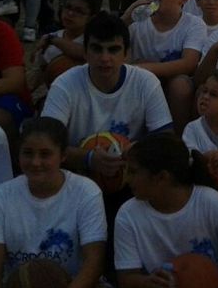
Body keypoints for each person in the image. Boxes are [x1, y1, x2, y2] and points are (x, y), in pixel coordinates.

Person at [108, 134, 218, 288]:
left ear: (161, 177)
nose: (127, 179)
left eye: (133, 172)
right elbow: (126, 279)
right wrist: (148, 283)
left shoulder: (210, 202)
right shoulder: (127, 214)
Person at [0, 118, 113, 288]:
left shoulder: (86, 192)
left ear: (63, 155)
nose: (35, 162)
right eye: (28, 153)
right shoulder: (0, 196)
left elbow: (94, 261)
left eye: (45, 154)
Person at [41, 12, 173, 174]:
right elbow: (45, 144)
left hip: (131, 176)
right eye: (97, 49)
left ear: (126, 54)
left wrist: (137, 151)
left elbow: (166, 140)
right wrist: (88, 158)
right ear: (85, 52)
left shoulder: (146, 82)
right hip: (77, 176)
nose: (105, 58)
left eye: (113, 50)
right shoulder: (64, 84)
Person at [125, 0, 207, 133]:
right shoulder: (136, 21)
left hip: (171, 82)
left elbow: (189, 63)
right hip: (140, 81)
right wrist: (126, 17)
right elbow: (105, 40)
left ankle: (179, 140)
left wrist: (142, 68)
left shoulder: (193, 24)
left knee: (180, 85)